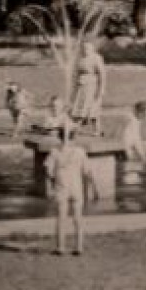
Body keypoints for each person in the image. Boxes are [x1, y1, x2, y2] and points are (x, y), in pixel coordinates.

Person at [45, 123, 89, 255]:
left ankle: (60, 247)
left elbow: (48, 172)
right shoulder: (80, 152)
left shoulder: (54, 152)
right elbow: (86, 171)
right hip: (76, 187)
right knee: (78, 217)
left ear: (59, 136)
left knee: (61, 217)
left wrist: (50, 187)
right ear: (74, 137)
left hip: (61, 186)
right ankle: (79, 247)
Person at [71, 40, 107, 133]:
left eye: (88, 47)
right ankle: (76, 128)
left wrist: (101, 89)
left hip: (92, 87)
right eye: (84, 47)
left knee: (93, 109)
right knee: (79, 108)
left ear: (92, 48)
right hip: (81, 86)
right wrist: (75, 85)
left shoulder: (96, 58)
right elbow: (77, 73)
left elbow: (102, 75)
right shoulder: (81, 59)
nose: (85, 49)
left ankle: (97, 130)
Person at [120, 101, 146, 185]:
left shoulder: (135, 120)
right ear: (139, 112)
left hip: (129, 144)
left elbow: (136, 138)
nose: (145, 117)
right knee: (131, 162)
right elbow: (135, 139)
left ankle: (131, 178)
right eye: (144, 114)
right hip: (128, 145)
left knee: (133, 163)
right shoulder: (133, 120)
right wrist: (142, 154)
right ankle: (129, 179)